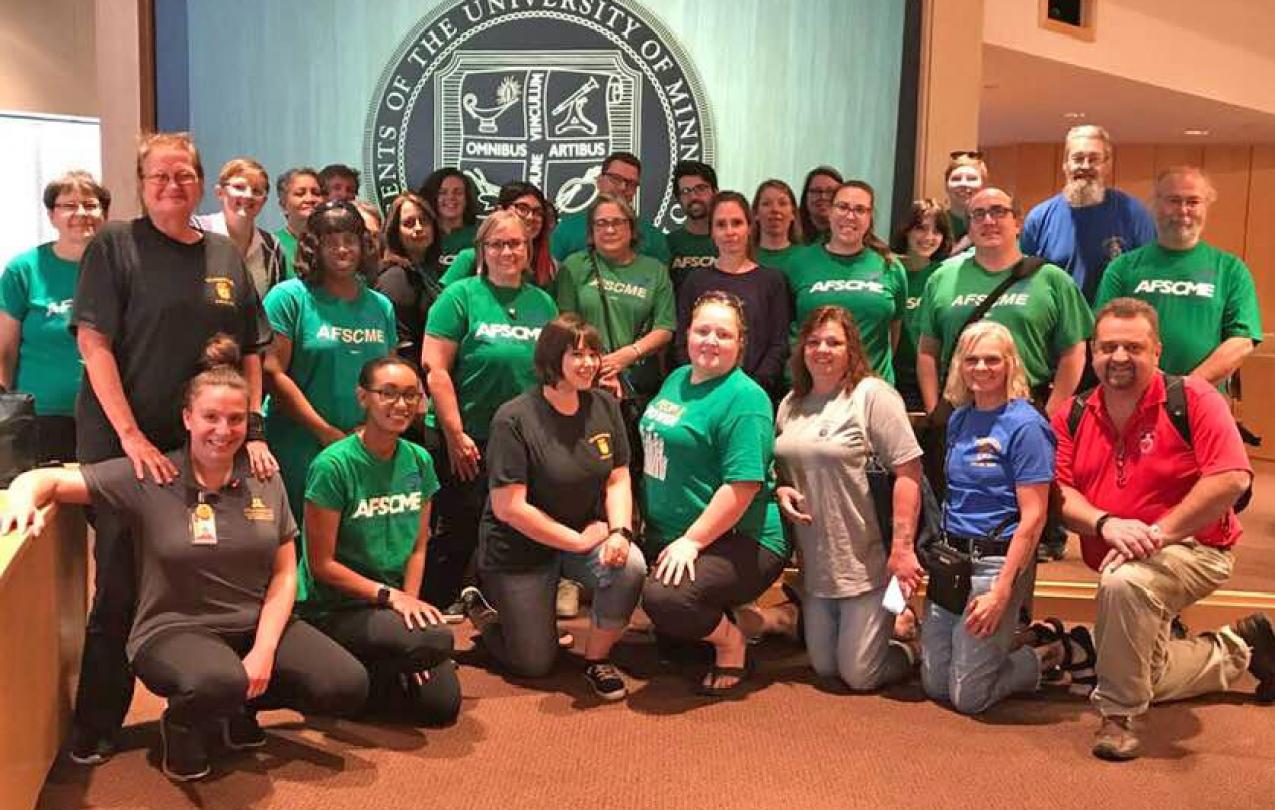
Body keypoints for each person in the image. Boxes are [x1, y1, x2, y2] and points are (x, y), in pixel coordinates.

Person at [0, 339, 367, 782]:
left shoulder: (265, 477)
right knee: (217, 681)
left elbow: (286, 572)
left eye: (235, 419)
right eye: (210, 417)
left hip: (252, 624)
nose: (223, 429)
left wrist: (265, 650)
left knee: (345, 684)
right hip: (174, 629)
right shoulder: (153, 475)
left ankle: (236, 706)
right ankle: (183, 724)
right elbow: (50, 479)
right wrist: (21, 496)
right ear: (187, 419)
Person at [69, 132, 275, 764]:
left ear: (199, 182)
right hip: (123, 441)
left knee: (222, 569)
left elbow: (250, 350)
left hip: (207, 442)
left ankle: (221, 704)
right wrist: (131, 438)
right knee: (124, 582)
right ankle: (99, 722)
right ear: (140, 182)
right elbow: (93, 345)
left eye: (183, 175)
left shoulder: (220, 253)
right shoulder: (115, 246)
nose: (171, 185)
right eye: (159, 176)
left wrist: (253, 431)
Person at [1052, 297, 1275, 761]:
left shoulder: (1194, 398)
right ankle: (1240, 650)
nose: (1118, 358)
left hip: (1197, 547)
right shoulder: (1073, 413)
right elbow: (1059, 492)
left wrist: (1157, 533)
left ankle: (1118, 716)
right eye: (1108, 346)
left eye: (1133, 347)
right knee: (1137, 665)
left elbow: (1232, 477)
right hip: (1120, 548)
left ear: (1157, 351)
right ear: (1092, 351)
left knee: (1125, 583)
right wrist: (1105, 523)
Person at [461, 314, 646, 699]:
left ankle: (596, 660)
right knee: (534, 664)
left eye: (594, 353)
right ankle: (486, 615)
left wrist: (620, 532)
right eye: (576, 354)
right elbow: (510, 507)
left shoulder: (605, 405)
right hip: (520, 548)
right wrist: (578, 543)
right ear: (550, 358)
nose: (589, 363)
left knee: (630, 566)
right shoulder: (513, 418)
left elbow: (618, 477)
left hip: (585, 534)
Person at [639, 291, 790, 696]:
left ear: (741, 343)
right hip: (677, 532)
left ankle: (732, 644)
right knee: (672, 637)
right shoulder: (676, 379)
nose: (710, 341)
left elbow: (741, 488)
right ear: (687, 334)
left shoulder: (746, 399)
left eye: (723, 334)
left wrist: (691, 542)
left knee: (667, 600)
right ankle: (760, 620)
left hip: (742, 538)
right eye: (702, 330)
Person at [301, 356, 461, 726]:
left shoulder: (420, 460)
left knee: (441, 706)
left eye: (410, 395)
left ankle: (384, 664)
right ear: (363, 397)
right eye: (387, 394)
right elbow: (321, 565)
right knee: (429, 642)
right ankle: (354, 666)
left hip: (389, 604)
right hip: (335, 608)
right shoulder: (332, 465)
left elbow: (418, 547)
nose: (401, 405)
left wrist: (409, 604)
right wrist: (391, 600)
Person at [772, 305, 923, 690]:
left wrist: (903, 549)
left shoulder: (872, 396)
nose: (822, 350)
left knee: (858, 675)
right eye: (814, 341)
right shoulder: (791, 403)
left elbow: (909, 472)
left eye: (834, 342)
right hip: (817, 565)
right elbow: (780, 468)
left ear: (851, 349)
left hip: (868, 561)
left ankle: (914, 649)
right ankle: (887, 624)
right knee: (824, 668)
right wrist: (779, 487)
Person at [921, 321, 1067, 714]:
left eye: (992, 359)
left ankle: (1045, 655)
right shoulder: (960, 419)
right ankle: (1000, 645)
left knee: (968, 698)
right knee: (934, 683)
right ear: (960, 366)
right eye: (972, 360)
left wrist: (1003, 591)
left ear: (1010, 365)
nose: (981, 368)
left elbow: (1034, 517)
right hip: (953, 561)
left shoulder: (1027, 425)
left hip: (996, 563)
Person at [420, 209, 559, 614]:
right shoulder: (460, 295)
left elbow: (550, 373)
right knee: (457, 525)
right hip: (463, 431)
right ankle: (434, 607)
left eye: (515, 243)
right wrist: (455, 435)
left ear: (528, 248)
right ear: (482, 249)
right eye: (497, 244)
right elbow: (436, 370)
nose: (507, 252)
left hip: (518, 437)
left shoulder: (542, 302)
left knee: (507, 526)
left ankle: (493, 605)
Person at [263, 201, 396, 524]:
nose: (342, 249)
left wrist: (372, 429)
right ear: (314, 247)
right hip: (298, 446)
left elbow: (386, 377)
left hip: (362, 444)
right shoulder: (288, 298)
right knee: (299, 545)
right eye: (330, 241)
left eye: (349, 240)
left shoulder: (380, 306)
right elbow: (271, 372)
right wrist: (324, 432)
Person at [917, 188, 1092, 419]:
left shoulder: (1052, 279)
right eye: (978, 214)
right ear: (969, 227)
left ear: (1018, 222)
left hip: (1027, 408)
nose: (988, 221)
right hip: (959, 411)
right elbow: (927, 351)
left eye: (998, 212)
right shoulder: (942, 279)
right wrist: (934, 413)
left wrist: (1051, 415)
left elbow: (1074, 352)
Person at [1095, 166, 1261, 391]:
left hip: (1202, 400)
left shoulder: (1231, 269)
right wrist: (1152, 384)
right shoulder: (1123, 268)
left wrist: (1184, 387)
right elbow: (1103, 333)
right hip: (1131, 397)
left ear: (1206, 205)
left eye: (1193, 202)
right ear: (1156, 204)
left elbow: (1242, 341)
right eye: (1173, 200)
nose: (1183, 210)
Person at [1, 171, 110, 463]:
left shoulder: (120, 270)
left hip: (106, 415)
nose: (81, 213)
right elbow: (4, 351)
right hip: (39, 418)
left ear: (104, 214)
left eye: (90, 204)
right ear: (51, 215)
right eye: (69, 205)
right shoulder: (24, 269)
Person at [554, 193, 675, 404]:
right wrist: (598, 363)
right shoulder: (575, 266)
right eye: (601, 223)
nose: (609, 230)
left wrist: (628, 354)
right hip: (586, 376)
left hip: (637, 380)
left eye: (617, 222)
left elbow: (664, 328)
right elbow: (567, 323)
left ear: (631, 227)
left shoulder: (655, 270)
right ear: (591, 231)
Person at [785, 180, 908, 383]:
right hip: (814, 388)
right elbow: (790, 331)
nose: (850, 216)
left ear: (870, 218)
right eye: (842, 207)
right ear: (830, 212)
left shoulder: (890, 267)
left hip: (873, 389)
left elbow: (894, 329)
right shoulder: (799, 264)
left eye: (860, 210)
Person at [675, 191, 790, 399]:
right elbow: (682, 341)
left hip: (754, 393)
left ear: (750, 228)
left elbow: (779, 345)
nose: (730, 231)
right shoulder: (695, 280)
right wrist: (702, 382)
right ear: (711, 232)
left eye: (736, 223)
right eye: (721, 224)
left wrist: (750, 389)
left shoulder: (772, 281)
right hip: (702, 394)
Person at [1021, 124, 1156, 302]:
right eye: (1077, 158)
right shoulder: (1039, 218)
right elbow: (1025, 282)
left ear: (1107, 165)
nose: (1085, 166)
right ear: (1065, 165)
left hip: (1113, 324)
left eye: (1094, 159)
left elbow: (1149, 276)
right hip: (1056, 326)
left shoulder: (1135, 214)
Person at [550, 151, 670, 264]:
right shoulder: (567, 229)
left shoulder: (653, 237)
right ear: (599, 180)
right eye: (616, 179)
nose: (623, 187)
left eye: (631, 184)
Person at [889, 199, 954, 410]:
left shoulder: (946, 274)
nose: (928, 237)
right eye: (921, 229)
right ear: (906, 231)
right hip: (894, 378)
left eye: (936, 231)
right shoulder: (889, 270)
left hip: (936, 379)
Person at [193, 158, 287, 295]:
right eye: (239, 187)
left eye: (257, 191)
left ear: (264, 201)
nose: (248, 195)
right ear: (220, 192)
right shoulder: (196, 230)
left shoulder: (272, 247)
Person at [440, 181, 558, 289]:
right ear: (499, 210)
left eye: (538, 212)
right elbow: (442, 304)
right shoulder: (471, 258)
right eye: (522, 208)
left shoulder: (549, 266)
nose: (531, 217)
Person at [375, 192, 444, 370]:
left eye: (424, 221)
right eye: (409, 223)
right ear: (395, 231)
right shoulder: (395, 278)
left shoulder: (431, 271)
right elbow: (402, 346)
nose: (419, 228)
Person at [665, 160, 719, 294]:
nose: (693, 196)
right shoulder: (666, 244)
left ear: (715, 192)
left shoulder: (730, 241)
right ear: (678, 199)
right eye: (685, 191)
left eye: (701, 188)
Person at [417, 167, 481, 267]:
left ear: (467, 198)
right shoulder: (421, 235)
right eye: (442, 193)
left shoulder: (481, 235)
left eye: (458, 192)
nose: (451, 197)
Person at [274, 167, 325, 279]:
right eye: (300, 193)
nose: (309, 199)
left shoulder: (332, 243)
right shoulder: (272, 244)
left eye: (316, 193)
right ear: (283, 205)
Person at [753, 178, 806, 277]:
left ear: (793, 213)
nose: (775, 209)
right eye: (766, 204)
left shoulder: (806, 257)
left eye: (782, 203)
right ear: (756, 213)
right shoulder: (745, 256)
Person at [943, 151, 987, 252]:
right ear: (946, 186)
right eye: (956, 179)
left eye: (971, 179)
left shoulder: (993, 223)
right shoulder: (936, 224)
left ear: (983, 185)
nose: (963, 184)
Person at [797, 165, 843, 245]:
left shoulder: (852, 239)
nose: (823, 197)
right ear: (806, 196)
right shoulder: (791, 235)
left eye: (830, 191)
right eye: (816, 191)